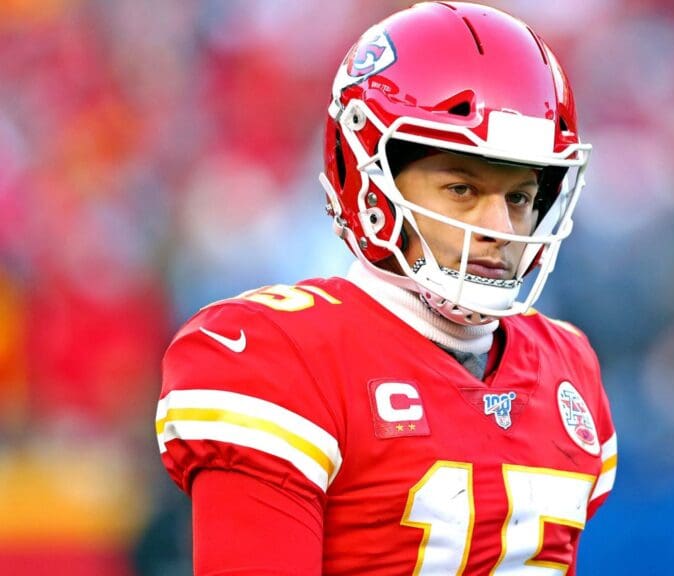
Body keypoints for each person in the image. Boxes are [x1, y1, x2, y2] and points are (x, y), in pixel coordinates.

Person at [155, 2, 617, 574]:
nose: (500, 230)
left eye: (519, 198)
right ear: (368, 183)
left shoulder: (566, 367)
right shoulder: (283, 359)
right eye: (461, 189)